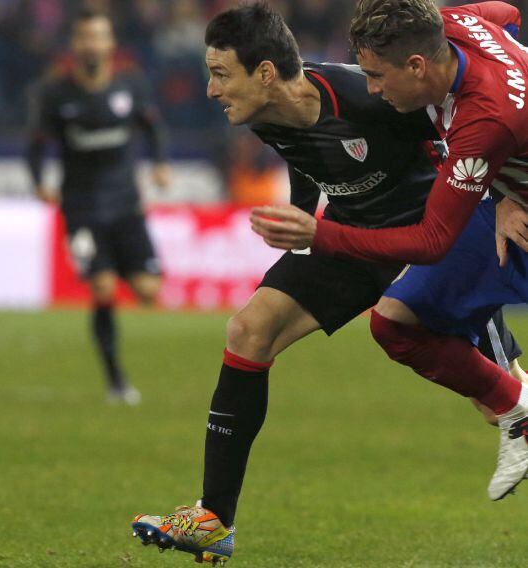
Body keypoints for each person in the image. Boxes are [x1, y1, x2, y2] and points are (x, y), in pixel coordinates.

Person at [130, 3, 528, 564]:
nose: (211, 89)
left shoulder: (372, 97)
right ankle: (214, 519)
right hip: (350, 239)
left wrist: (507, 194)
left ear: (265, 73)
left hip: (426, 245)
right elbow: (306, 158)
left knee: (504, 407)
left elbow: (465, 144)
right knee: (249, 330)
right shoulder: (263, 114)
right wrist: (301, 220)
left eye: (221, 74)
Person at [250, 0, 528, 506]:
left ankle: (515, 408)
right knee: (394, 323)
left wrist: (321, 236)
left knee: (425, 337)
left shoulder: (483, 121)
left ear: (417, 65)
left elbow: (431, 242)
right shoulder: (448, 23)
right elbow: (507, 12)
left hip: (514, 211)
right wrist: (508, 182)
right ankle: (519, 411)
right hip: (507, 192)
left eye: (377, 76)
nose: (372, 88)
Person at [27, 9, 171, 405]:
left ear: (110, 44)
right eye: (85, 37)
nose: (92, 44)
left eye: (99, 37)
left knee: (148, 289)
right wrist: (39, 181)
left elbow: (152, 126)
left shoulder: (131, 85)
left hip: (125, 203)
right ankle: (116, 381)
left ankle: (120, 263)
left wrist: (159, 163)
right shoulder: (56, 94)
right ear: (76, 45)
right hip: (82, 208)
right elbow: (36, 144)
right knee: (103, 286)